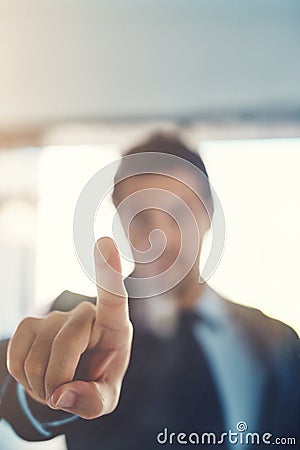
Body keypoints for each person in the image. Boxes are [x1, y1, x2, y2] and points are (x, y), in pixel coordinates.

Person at [0, 133, 299, 450]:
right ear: (122, 223)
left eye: (179, 214)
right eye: (142, 218)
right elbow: (19, 393)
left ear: (208, 215)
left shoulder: (275, 340)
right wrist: (39, 386)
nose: (162, 238)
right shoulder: (82, 325)